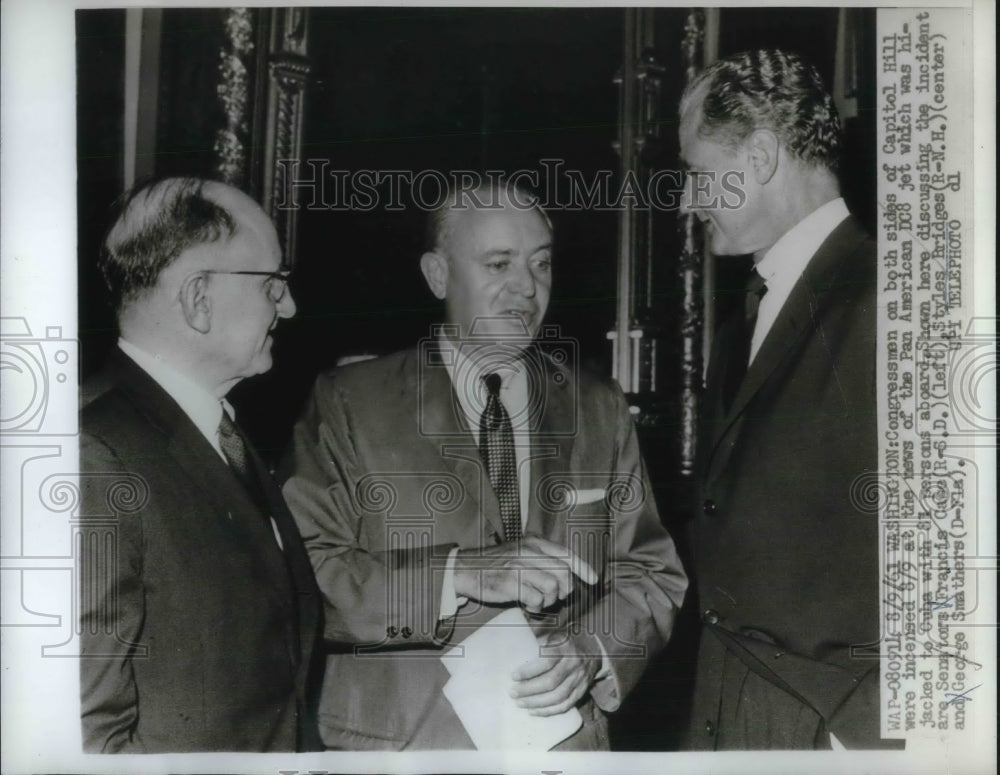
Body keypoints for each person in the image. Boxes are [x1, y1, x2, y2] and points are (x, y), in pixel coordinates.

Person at [281, 179, 687, 750]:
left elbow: (650, 571)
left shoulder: (596, 406)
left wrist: (592, 652)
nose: (525, 288)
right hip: (402, 750)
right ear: (437, 275)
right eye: (499, 264)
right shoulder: (350, 401)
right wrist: (459, 573)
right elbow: (306, 579)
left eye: (541, 264)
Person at [678, 49, 897, 749]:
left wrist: (864, 736)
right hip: (731, 716)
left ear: (763, 156)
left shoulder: (895, 299)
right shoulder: (740, 325)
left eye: (696, 174)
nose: (686, 200)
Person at [79, 177, 322, 753]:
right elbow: (85, 736)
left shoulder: (218, 433)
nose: (289, 305)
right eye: (273, 283)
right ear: (198, 299)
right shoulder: (94, 454)